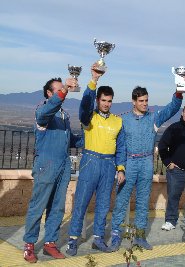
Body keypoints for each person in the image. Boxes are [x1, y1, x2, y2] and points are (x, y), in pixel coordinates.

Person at [110, 86, 183, 251]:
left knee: (143, 201)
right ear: (134, 102)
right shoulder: (123, 119)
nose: (145, 104)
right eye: (141, 101)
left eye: (146, 100)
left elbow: (172, 108)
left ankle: (140, 236)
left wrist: (178, 93)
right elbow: (118, 145)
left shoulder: (154, 118)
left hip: (146, 162)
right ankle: (116, 235)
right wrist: (119, 167)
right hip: (128, 163)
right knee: (121, 200)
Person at [66, 63, 126, 256]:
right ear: (98, 100)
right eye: (103, 100)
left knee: (103, 204)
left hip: (109, 164)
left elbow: (122, 146)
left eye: (109, 101)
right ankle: (73, 239)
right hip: (90, 161)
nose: (107, 104)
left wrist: (121, 168)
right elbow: (84, 106)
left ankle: (98, 239)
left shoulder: (118, 121)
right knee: (82, 202)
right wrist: (93, 81)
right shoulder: (89, 117)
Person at [23, 76, 82, 263]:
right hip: (46, 164)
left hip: (63, 165)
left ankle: (50, 243)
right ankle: (29, 245)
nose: (62, 92)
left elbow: (70, 140)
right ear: (49, 93)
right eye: (58, 90)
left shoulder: (64, 115)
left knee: (57, 207)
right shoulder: (43, 109)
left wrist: (90, 136)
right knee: (38, 206)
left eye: (62, 90)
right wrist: (65, 89)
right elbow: (45, 114)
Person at [158, 103, 185, 231]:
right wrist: (168, 163)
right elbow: (162, 146)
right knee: (173, 197)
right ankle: (170, 221)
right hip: (176, 171)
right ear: (182, 113)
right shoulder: (174, 128)